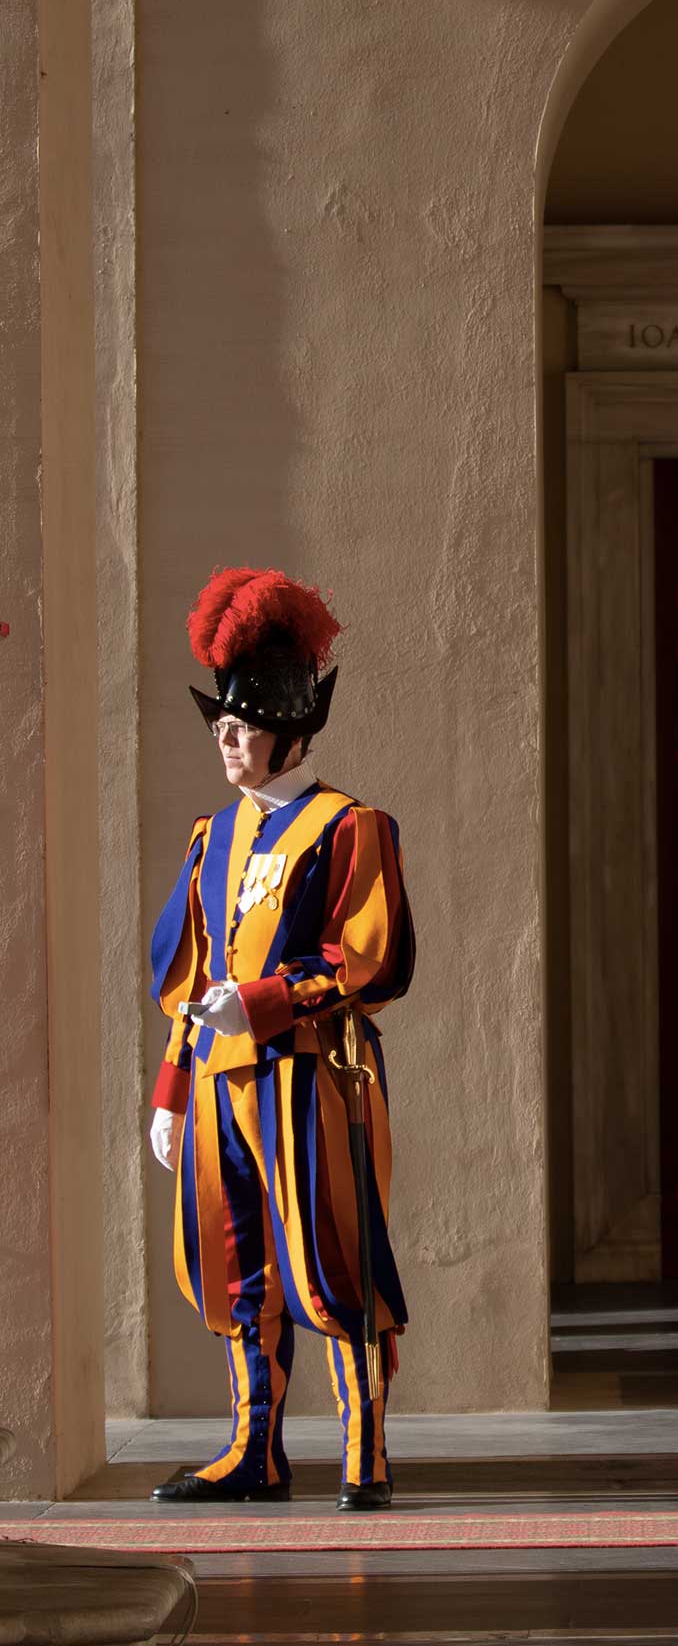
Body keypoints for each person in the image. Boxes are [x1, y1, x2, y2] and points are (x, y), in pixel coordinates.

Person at [147, 567, 414, 1512]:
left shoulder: (350, 826)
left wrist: (262, 1002)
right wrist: (172, 1092)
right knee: (235, 1265)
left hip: (310, 1080)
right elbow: (188, 979)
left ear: (292, 728)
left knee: (332, 1256)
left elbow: (367, 962)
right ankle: (252, 1449)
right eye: (220, 719)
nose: (226, 734)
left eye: (245, 719)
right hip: (220, 1081)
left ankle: (363, 1451)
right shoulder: (207, 838)